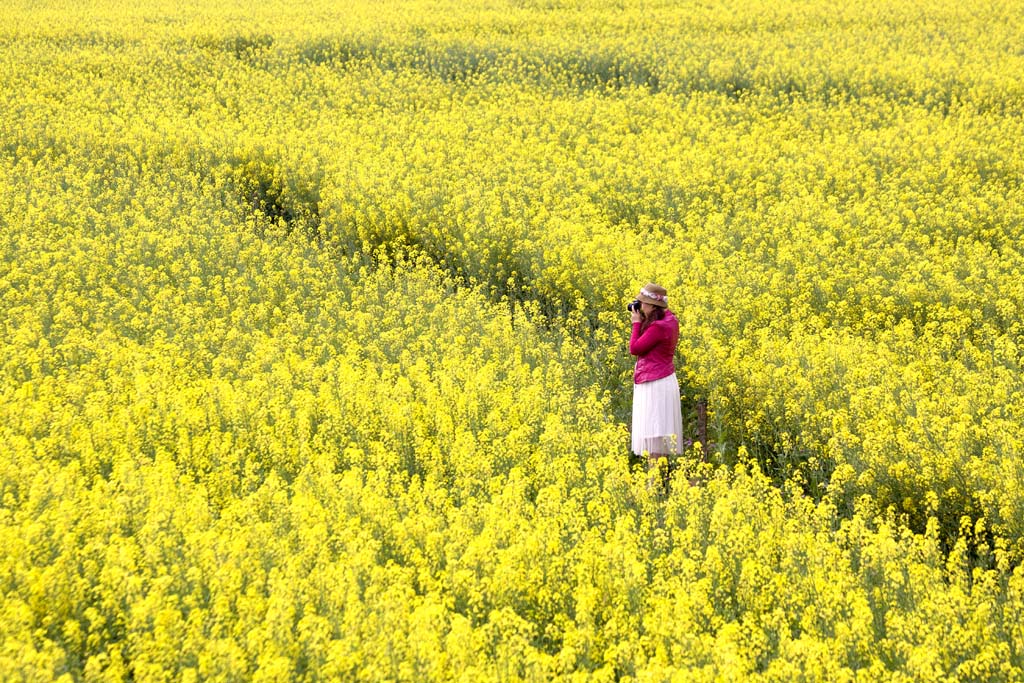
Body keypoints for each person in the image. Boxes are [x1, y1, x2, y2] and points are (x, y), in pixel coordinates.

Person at [628, 283, 683, 492]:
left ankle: (654, 487)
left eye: (642, 303)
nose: (639, 306)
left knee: (653, 437)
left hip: (653, 384)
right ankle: (658, 485)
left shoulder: (658, 327)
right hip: (665, 380)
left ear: (652, 306)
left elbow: (635, 348)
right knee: (657, 438)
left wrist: (635, 324)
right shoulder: (670, 321)